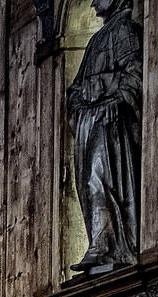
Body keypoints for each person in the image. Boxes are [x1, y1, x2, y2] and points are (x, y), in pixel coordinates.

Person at [67, 0, 142, 276]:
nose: (93, 1)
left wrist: (105, 92)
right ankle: (100, 243)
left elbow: (135, 77)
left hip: (111, 125)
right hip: (90, 123)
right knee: (89, 183)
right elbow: (74, 89)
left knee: (99, 178)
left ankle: (107, 244)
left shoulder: (125, 31)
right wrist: (80, 103)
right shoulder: (97, 39)